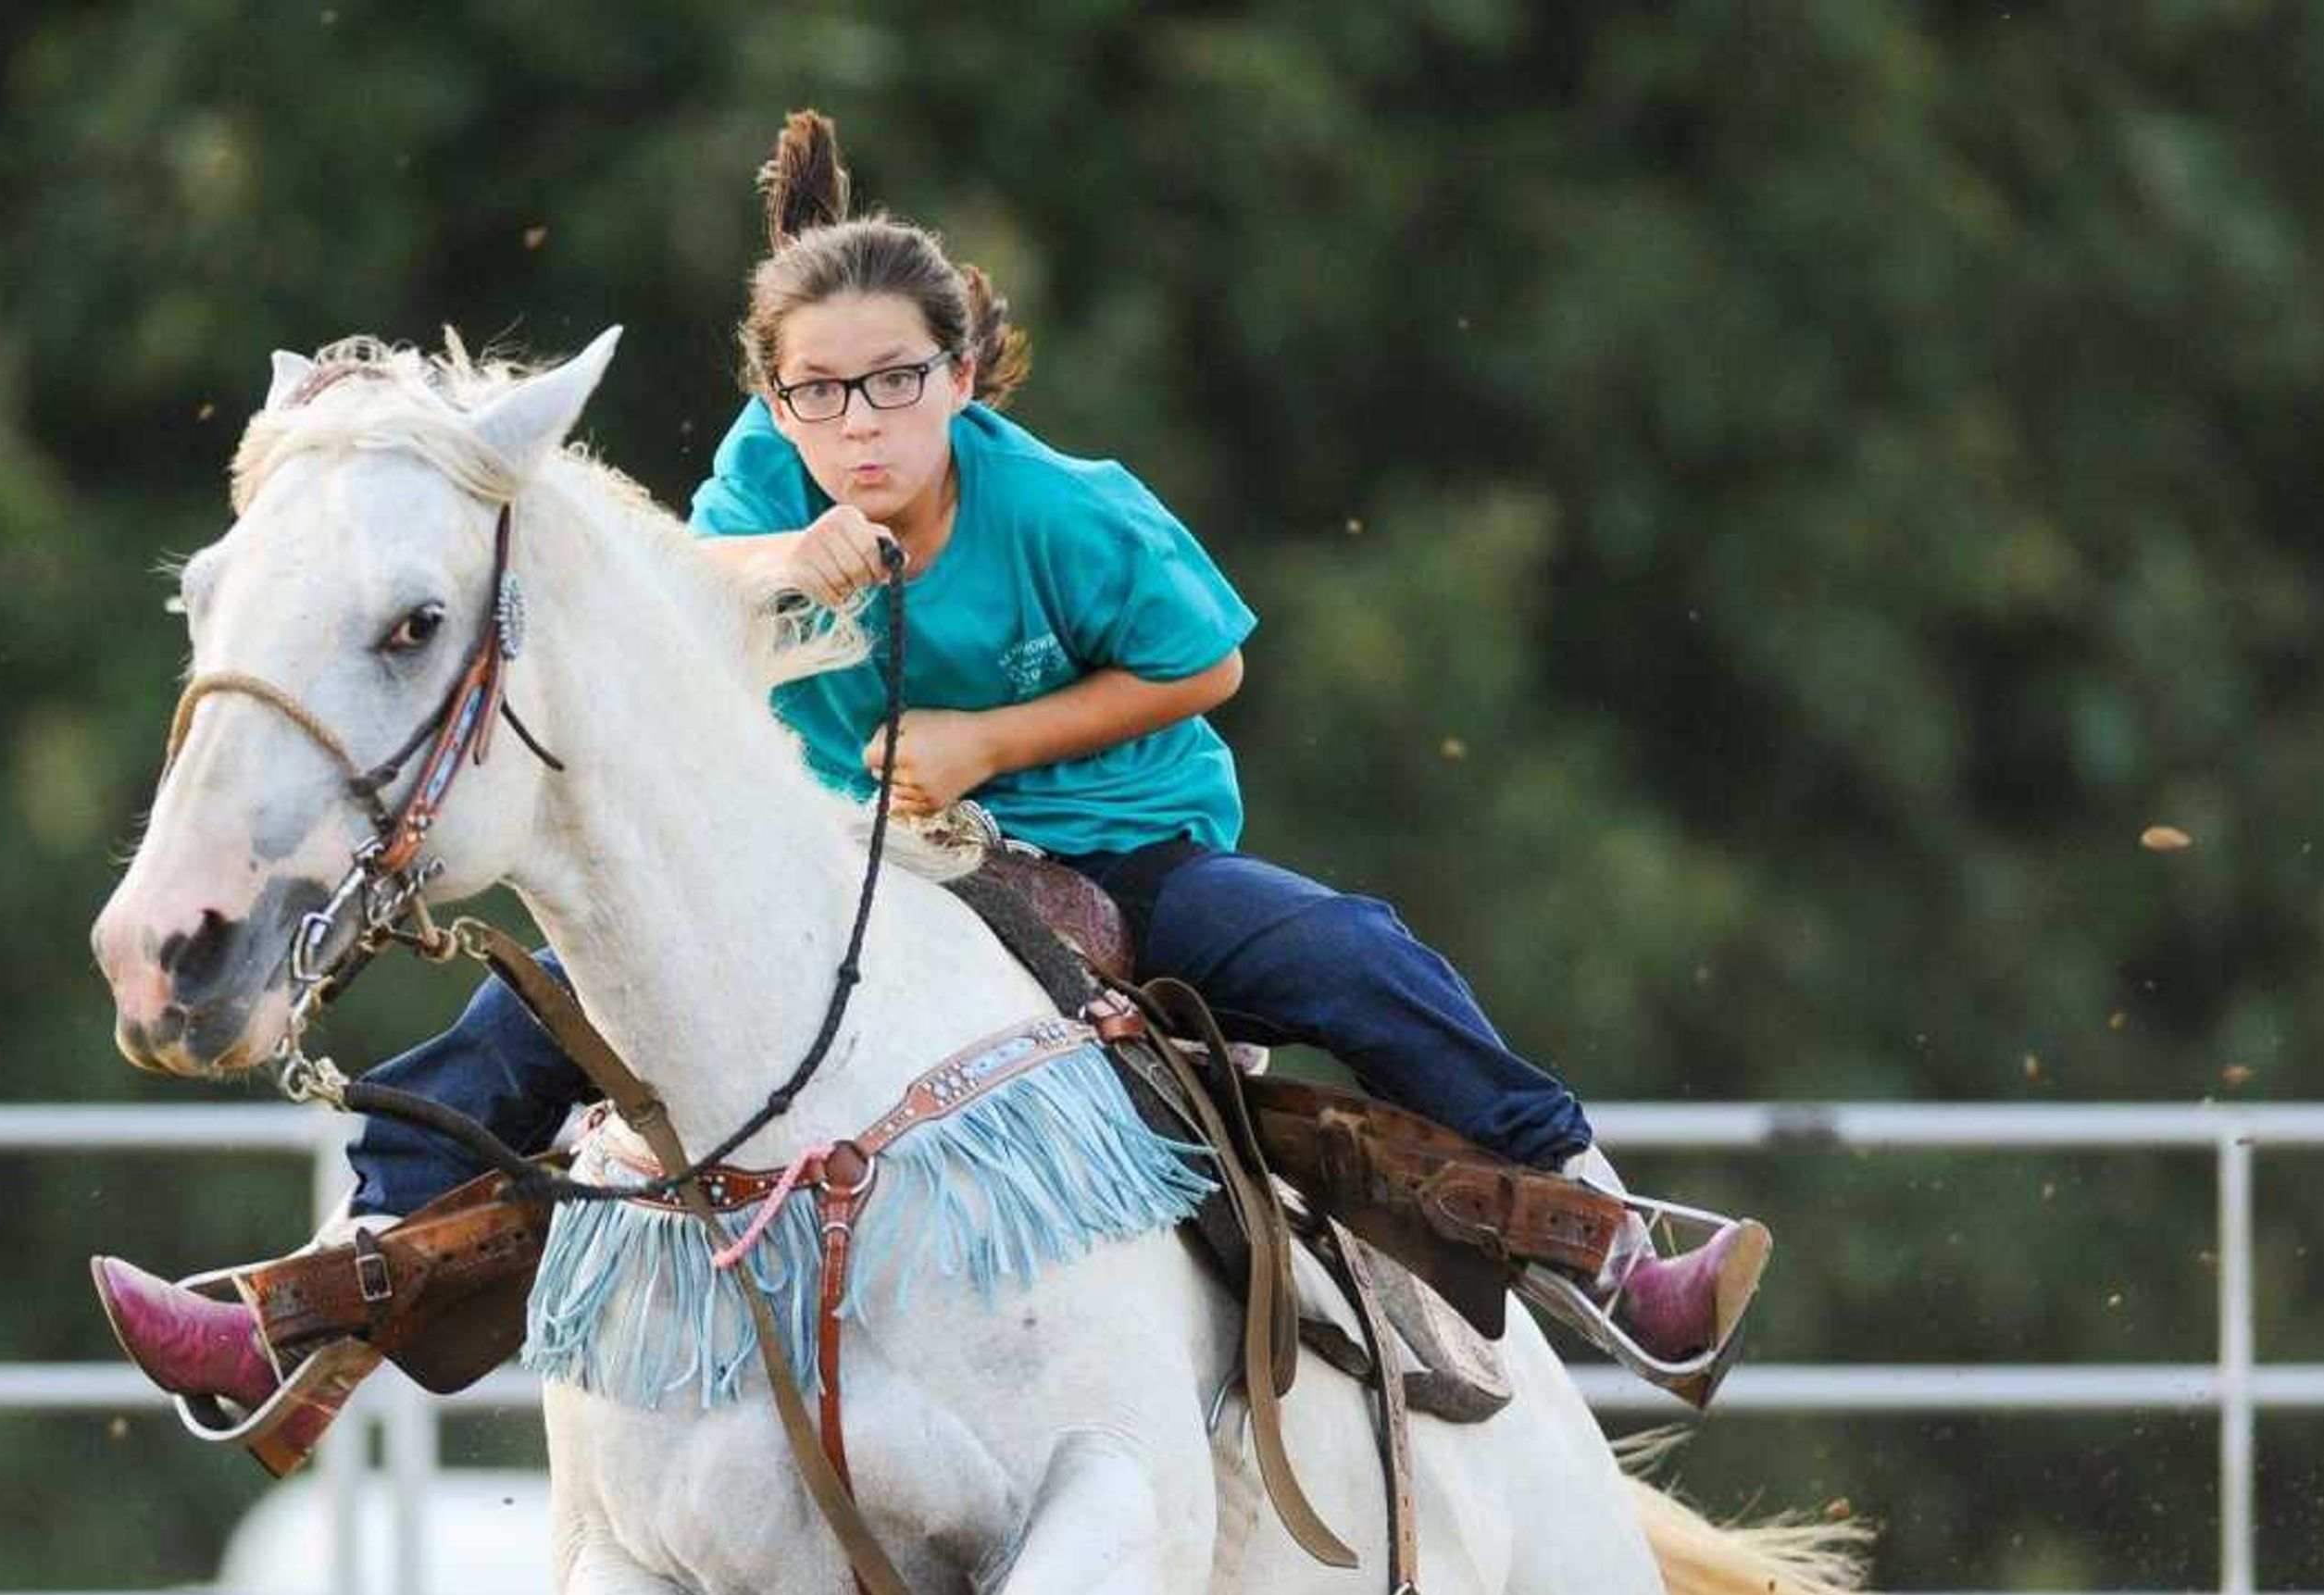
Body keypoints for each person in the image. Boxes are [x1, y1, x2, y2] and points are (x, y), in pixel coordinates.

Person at [95, 110, 1768, 1446]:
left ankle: (1604, 1242)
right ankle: (314, 1313)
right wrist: (781, 573)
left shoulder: (1066, 506)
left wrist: (984, 743)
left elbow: (1207, 663)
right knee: (520, 1026)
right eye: (820, 392)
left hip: (1111, 855)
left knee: (1347, 954)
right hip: (847, 870)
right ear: (777, 400)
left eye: (897, 383)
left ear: (960, 377)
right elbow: (691, 610)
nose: (861, 421)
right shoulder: (763, 477)